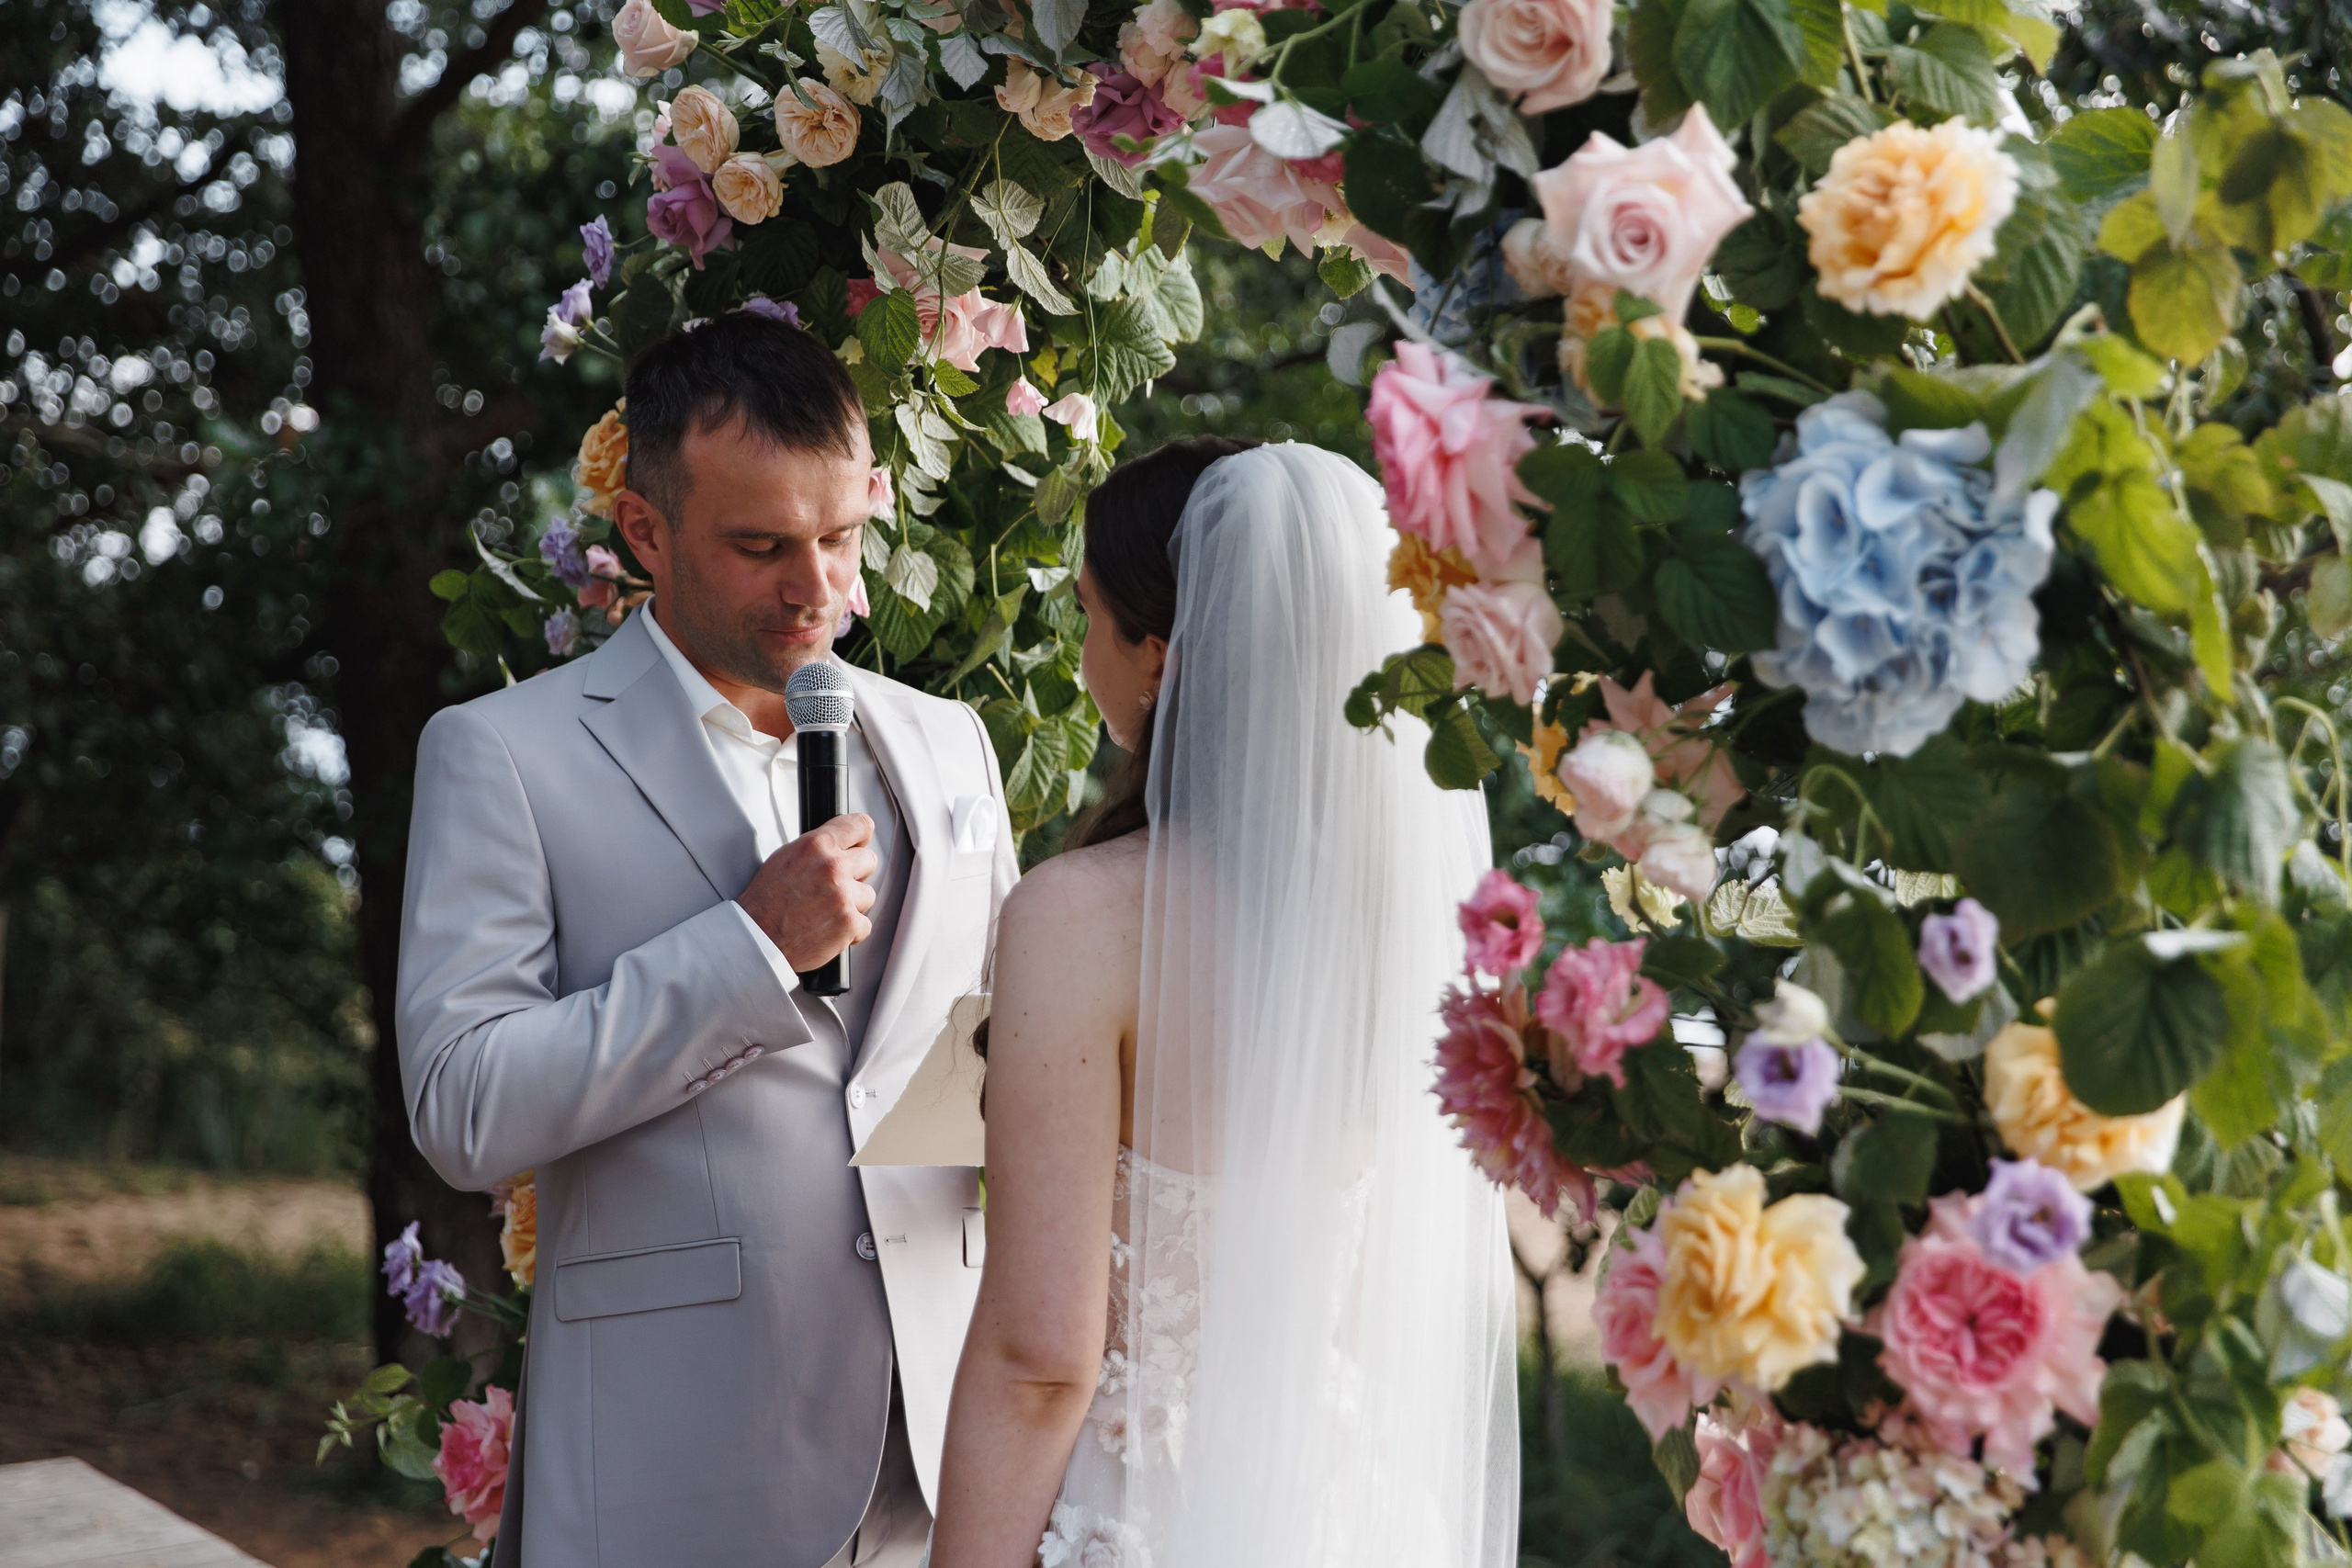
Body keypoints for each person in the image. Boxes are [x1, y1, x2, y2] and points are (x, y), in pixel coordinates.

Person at [396, 310, 1016, 1568]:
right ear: (645, 531)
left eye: (841, 538)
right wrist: (745, 947)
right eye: (761, 545)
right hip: (675, 1474)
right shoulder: (505, 753)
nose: (818, 587)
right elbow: (463, 1106)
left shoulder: (948, 738)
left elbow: (979, 1054)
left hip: (941, 1467)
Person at [928, 440, 1521, 1568]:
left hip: (1146, 1509)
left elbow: (1042, 1356)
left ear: (1157, 656)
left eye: (1094, 616)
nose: (1086, 649)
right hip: (1349, 1510)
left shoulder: (1081, 918)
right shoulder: (1407, 930)